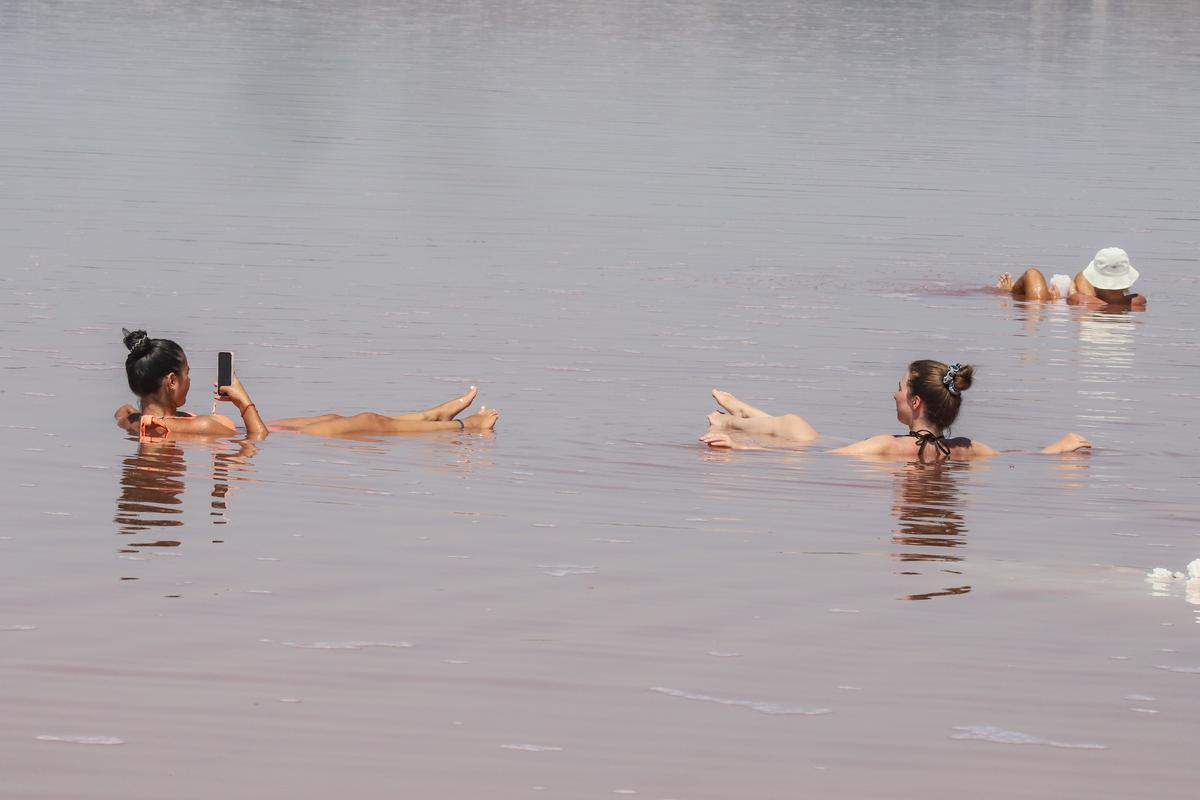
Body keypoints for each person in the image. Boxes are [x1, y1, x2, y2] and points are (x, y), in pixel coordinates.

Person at [113, 329, 499, 440]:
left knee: (346, 415)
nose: (190, 381)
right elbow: (256, 440)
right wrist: (244, 400)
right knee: (370, 421)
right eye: (187, 374)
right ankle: (463, 427)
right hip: (279, 436)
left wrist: (144, 413)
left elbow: (125, 411)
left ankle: (434, 416)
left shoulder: (132, 420)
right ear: (170, 380)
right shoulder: (197, 425)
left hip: (283, 428)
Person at [698, 360, 1090, 459]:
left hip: (813, 444)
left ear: (916, 402)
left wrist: (741, 450)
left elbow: (822, 460)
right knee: (789, 426)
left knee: (794, 427)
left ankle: (735, 419)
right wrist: (1063, 446)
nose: (894, 394)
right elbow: (1025, 457)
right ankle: (740, 411)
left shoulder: (884, 445)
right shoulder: (966, 449)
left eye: (900, 388)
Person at [995, 247, 1146, 309]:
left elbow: (1076, 295)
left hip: (1041, 305)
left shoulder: (1080, 299)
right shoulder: (1138, 301)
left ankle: (1009, 292)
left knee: (1033, 273)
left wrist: (1064, 295)